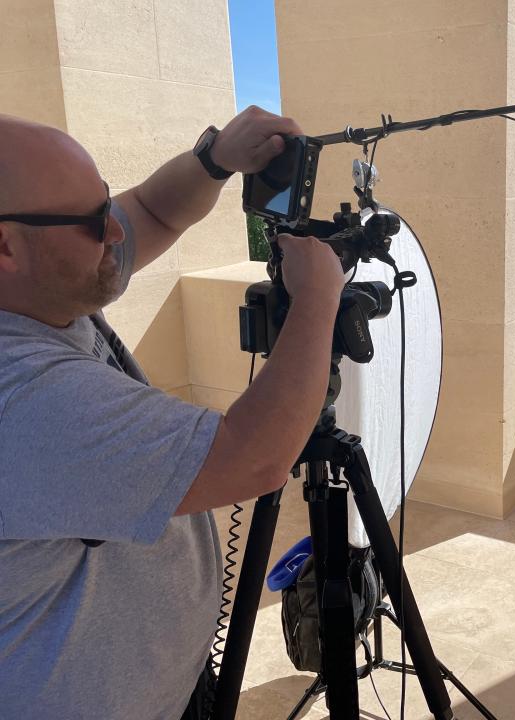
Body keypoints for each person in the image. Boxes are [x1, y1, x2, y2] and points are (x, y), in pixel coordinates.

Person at [0, 107, 346, 719]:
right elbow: (255, 458)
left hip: (157, 687)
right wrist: (318, 298)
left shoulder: (41, 285)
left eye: (103, 201)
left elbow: (152, 211)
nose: (113, 231)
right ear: (4, 245)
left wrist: (214, 160)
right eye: (89, 221)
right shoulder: (21, 393)